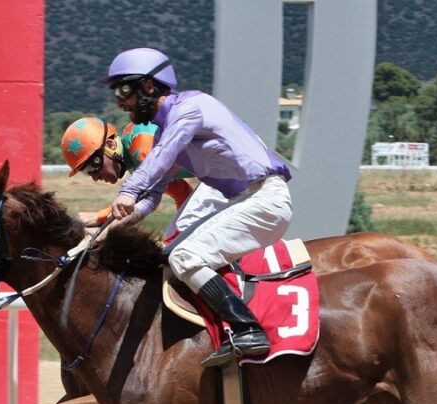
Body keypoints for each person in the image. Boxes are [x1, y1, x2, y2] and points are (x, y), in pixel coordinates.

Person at [101, 47, 293, 367]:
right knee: (168, 252)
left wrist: (128, 190)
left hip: (266, 200)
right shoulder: (167, 127)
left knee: (184, 256)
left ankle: (249, 330)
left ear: (149, 86)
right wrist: (110, 226)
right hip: (244, 201)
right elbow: (151, 198)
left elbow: (162, 158)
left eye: (124, 90)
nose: (120, 102)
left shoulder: (192, 108)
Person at [60, 116, 195, 224]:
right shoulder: (133, 160)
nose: (94, 177)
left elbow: (148, 200)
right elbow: (182, 192)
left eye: (93, 166)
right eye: (87, 171)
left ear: (110, 145)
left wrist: (99, 217)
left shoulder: (141, 146)